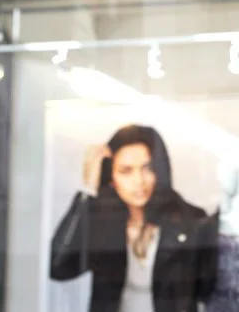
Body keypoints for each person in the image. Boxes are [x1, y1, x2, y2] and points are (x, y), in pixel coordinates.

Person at [50, 125, 208, 312]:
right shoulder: (105, 223)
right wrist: (88, 191)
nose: (139, 180)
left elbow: (208, 290)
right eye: (126, 171)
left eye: (147, 168)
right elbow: (58, 268)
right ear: (111, 178)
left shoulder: (189, 220)